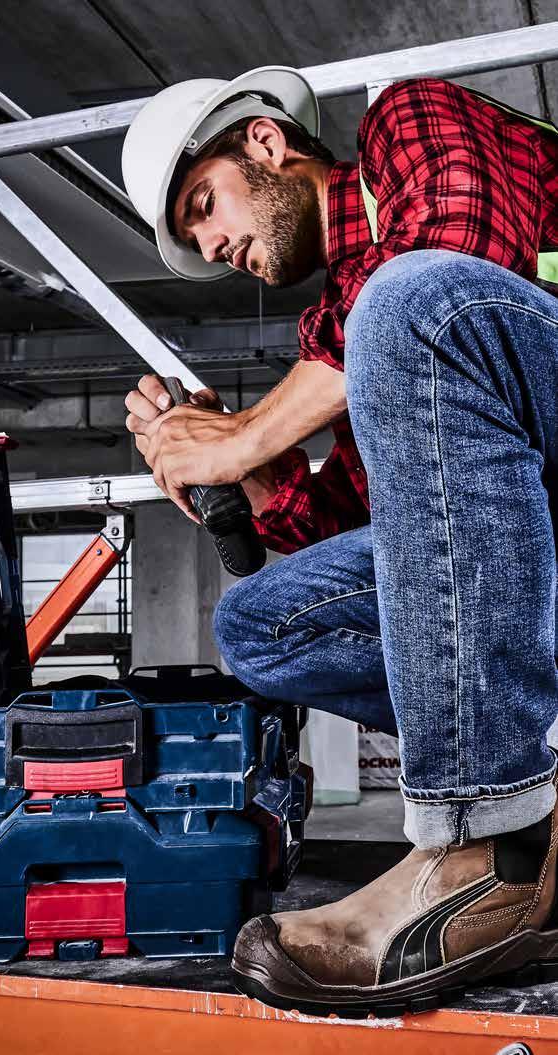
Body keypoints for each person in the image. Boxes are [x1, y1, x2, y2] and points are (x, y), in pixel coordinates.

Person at [121, 67, 558, 1014]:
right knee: (261, 625)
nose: (212, 245)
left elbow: (455, 252)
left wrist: (243, 434)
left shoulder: (409, 122)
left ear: (266, 142)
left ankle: (493, 848)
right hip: (523, 535)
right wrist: (236, 471)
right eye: (196, 240)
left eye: (204, 205)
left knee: (412, 299)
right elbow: (397, 532)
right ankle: (542, 793)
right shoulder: (341, 325)